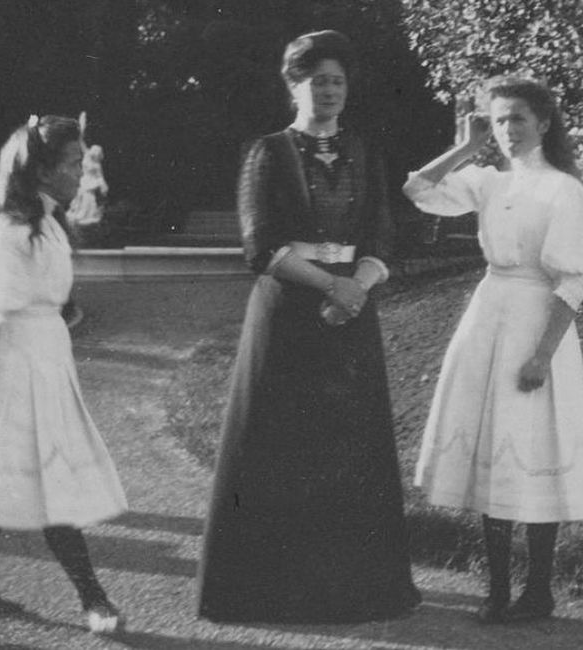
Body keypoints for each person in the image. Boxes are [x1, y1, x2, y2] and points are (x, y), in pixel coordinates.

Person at [197, 30, 421, 623]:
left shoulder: (366, 151)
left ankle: (352, 590)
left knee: (346, 447)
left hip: (350, 312)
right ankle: (272, 591)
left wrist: (357, 287)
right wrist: (330, 285)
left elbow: (380, 234)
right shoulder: (267, 153)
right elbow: (259, 245)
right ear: (294, 84)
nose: (328, 90)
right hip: (289, 310)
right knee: (282, 446)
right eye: (317, 79)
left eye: (337, 80)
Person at [403, 76, 583, 623]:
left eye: (518, 118)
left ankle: (538, 589)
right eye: (498, 120)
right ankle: (496, 589)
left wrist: (542, 354)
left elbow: (571, 281)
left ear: (543, 123)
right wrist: (468, 148)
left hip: (537, 324)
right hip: (488, 317)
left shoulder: (565, 190)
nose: (508, 130)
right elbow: (418, 190)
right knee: (492, 444)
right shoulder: (488, 181)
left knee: (535, 449)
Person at [0, 115, 127, 634]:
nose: (78, 173)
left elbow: (52, 290)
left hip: (43, 355)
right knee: (44, 471)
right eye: (71, 164)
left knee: (12, 472)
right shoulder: (11, 226)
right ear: (39, 169)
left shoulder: (48, 221)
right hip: (12, 361)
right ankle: (93, 598)